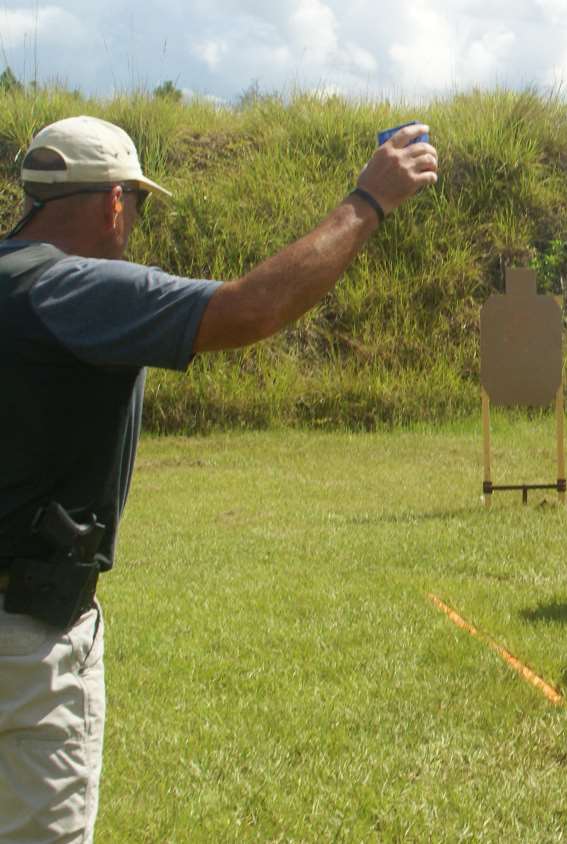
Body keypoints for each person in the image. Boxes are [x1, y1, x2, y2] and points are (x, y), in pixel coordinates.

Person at [0, 115, 437, 843]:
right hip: (29, 640)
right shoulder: (74, 289)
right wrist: (369, 201)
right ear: (114, 201)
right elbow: (251, 308)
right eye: (136, 206)